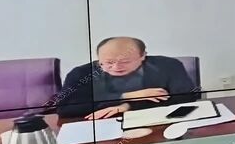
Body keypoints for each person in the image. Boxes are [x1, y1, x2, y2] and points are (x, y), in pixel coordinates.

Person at [54, 37, 199, 120]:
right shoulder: (81, 73)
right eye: (109, 62)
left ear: (143, 56)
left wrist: (127, 106)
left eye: (125, 61)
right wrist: (126, 96)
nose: (116, 67)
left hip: (156, 125)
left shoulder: (168, 65)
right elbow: (65, 108)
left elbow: (187, 97)